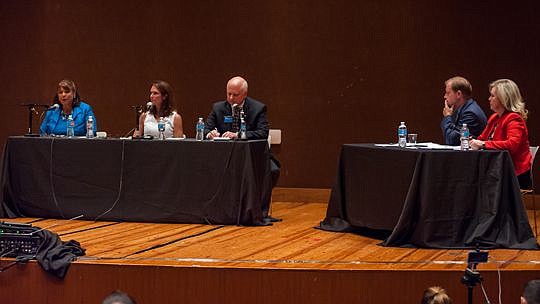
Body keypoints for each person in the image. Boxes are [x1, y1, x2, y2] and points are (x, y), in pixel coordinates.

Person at [205, 76, 280, 222]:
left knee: (273, 170)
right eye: (228, 94)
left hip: (251, 157)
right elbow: (207, 127)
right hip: (223, 157)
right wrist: (209, 133)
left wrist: (239, 135)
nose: (231, 98)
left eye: (235, 95)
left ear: (245, 94)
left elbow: (263, 133)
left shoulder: (258, 108)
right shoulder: (218, 108)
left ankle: (256, 210)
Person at [469, 79, 532, 189]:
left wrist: (483, 144)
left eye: (492, 96)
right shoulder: (495, 117)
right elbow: (481, 138)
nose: (489, 99)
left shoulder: (514, 118)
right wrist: (472, 141)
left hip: (514, 174)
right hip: (498, 170)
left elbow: (512, 145)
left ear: (504, 99)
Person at [441, 76, 487, 145]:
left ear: (458, 94)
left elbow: (452, 141)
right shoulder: (463, 109)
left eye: (448, 93)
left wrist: (447, 117)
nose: (445, 96)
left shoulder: (470, 113)